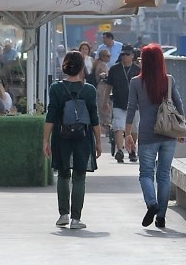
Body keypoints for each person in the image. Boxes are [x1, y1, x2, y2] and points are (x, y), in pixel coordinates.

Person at [125, 44, 186, 229]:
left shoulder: (136, 82)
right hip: (168, 133)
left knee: (146, 174)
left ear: (144, 61)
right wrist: (181, 130)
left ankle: (152, 203)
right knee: (164, 175)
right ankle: (161, 217)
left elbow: (131, 108)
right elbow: (179, 104)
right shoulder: (169, 80)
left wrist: (127, 133)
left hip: (147, 135)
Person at [43, 50, 101, 230]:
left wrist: (45, 140)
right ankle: (76, 219)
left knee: (63, 174)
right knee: (79, 177)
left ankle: (63, 215)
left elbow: (51, 116)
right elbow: (95, 119)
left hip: (61, 136)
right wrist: (98, 142)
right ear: (82, 68)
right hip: (83, 137)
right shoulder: (89, 90)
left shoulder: (56, 88)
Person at [106, 44, 141, 162]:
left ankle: (132, 150)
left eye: (127, 54)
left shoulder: (138, 70)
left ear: (132, 55)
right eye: (123, 54)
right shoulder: (114, 69)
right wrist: (105, 102)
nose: (125, 56)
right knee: (118, 126)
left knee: (134, 129)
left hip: (135, 105)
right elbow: (108, 86)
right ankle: (120, 150)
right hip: (118, 102)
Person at [93, 50, 113, 128]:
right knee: (105, 108)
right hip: (103, 88)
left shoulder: (98, 64)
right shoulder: (103, 65)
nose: (109, 57)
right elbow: (104, 76)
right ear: (102, 56)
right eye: (108, 56)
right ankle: (105, 125)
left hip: (99, 87)